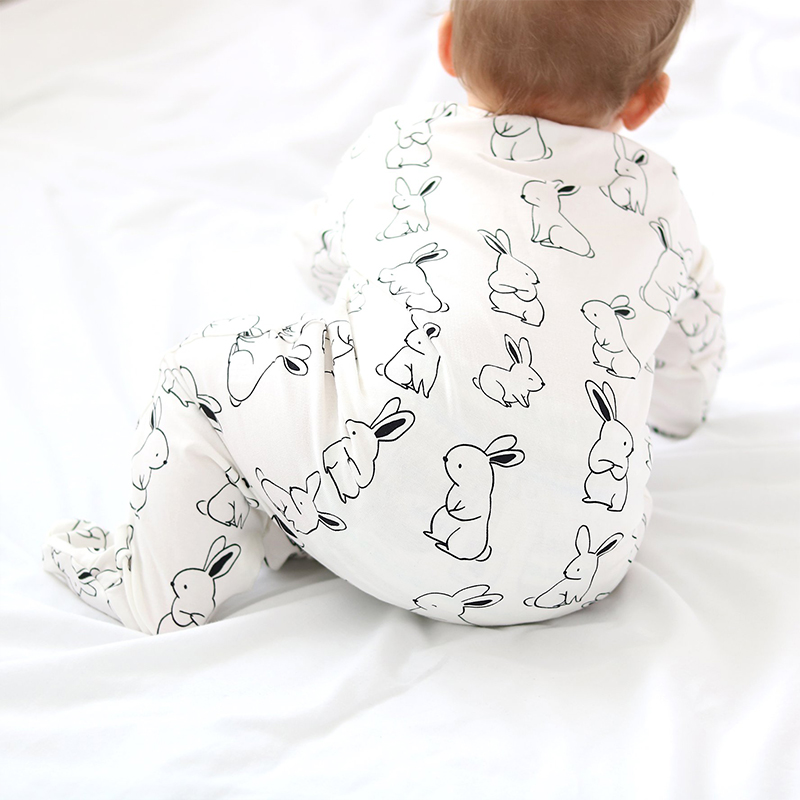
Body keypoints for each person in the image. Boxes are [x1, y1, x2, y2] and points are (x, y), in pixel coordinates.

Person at [43, 0, 725, 632]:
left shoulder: (403, 144)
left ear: (447, 45)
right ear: (647, 99)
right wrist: (664, 409)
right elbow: (686, 387)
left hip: (366, 502)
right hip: (580, 567)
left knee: (206, 369)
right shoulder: (663, 207)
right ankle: (296, 516)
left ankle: (156, 590)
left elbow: (317, 260)